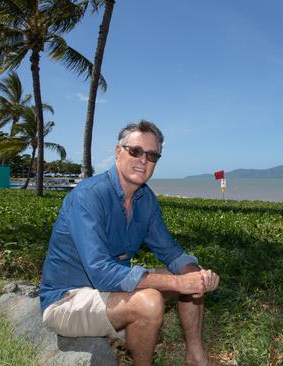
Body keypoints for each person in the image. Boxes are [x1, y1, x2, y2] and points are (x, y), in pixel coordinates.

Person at [39, 120, 220, 366]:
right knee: (150, 302)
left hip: (108, 292)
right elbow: (101, 272)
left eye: (152, 155)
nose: (143, 160)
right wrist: (179, 282)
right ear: (118, 152)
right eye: (135, 151)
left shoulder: (145, 200)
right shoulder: (89, 196)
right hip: (67, 299)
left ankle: (195, 357)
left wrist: (197, 278)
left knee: (192, 275)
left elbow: (171, 253)